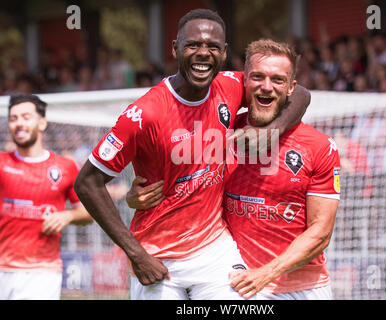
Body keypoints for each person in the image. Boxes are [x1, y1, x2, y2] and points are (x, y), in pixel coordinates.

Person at [74, 9, 310, 300]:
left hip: (214, 251)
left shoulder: (231, 86)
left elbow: (300, 94)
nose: (203, 53)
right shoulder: (143, 115)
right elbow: (87, 181)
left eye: (212, 47)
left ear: (223, 53)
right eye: (193, 45)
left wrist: (271, 131)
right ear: (175, 48)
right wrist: (135, 254)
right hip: (157, 257)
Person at [127, 39, 340, 300]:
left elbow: (320, 233)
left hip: (304, 288)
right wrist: (138, 195)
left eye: (278, 80)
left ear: (291, 87)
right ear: (244, 82)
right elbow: (183, 181)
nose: (267, 87)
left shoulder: (320, 146)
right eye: (258, 77)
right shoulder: (221, 131)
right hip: (237, 284)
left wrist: (266, 273)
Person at [0, 94, 93, 300]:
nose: (19, 124)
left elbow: (88, 212)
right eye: (13, 119)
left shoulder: (65, 167)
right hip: (2, 268)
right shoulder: (2, 163)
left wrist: (67, 216)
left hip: (42, 272)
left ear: (42, 123)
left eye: (25, 117)